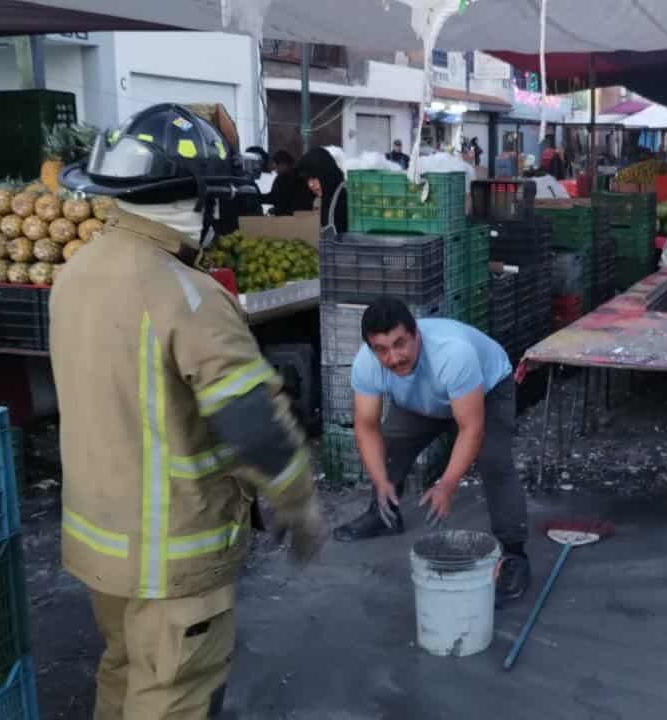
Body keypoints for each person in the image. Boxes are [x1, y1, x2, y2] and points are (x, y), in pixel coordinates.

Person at [53, 103, 327, 719]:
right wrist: (298, 503)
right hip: (170, 558)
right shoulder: (187, 296)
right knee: (172, 695)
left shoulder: (77, 273)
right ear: (193, 199)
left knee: (123, 675)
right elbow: (253, 421)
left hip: (101, 549)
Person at [333, 298, 532, 605]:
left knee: (494, 461)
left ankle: (514, 552)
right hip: (423, 401)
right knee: (389, 446)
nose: (394, 357)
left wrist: (447, 485)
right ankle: (382, 514)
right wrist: (380, 479)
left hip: (488, 390)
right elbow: (366, 426)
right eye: (382, 349)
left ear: (416, 334)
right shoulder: (367, 362)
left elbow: (470, 429)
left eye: (400, 344)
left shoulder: (452, 353)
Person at [297, 146, 348, 234]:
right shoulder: (325, 197)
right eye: (308, 179)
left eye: (314, 178)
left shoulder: (343, 198)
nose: (310, 184)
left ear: (326, 174)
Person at [263, 150, 315, 216]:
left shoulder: (282, 179)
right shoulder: (304, 176)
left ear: (283, 164)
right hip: (306, 217)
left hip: (287, 219)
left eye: (277, 167)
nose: (276, 171)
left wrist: (256, 198)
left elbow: (275, 198)